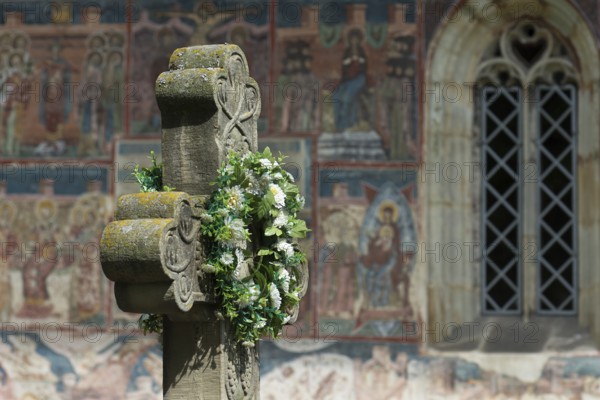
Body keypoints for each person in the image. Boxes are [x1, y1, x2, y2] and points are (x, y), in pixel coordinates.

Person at [333, 29, 368, 132]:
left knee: (348, 96)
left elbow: (364, 66)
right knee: (337, 95)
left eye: (356, 40)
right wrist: (349, 61)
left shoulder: (361, 51)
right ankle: (339, 123)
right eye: (352, 40)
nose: (354, 42)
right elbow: (344, 66)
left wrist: (358, 60)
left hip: (359, 79)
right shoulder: (347, 51)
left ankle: (348, 122)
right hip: (347, 79)